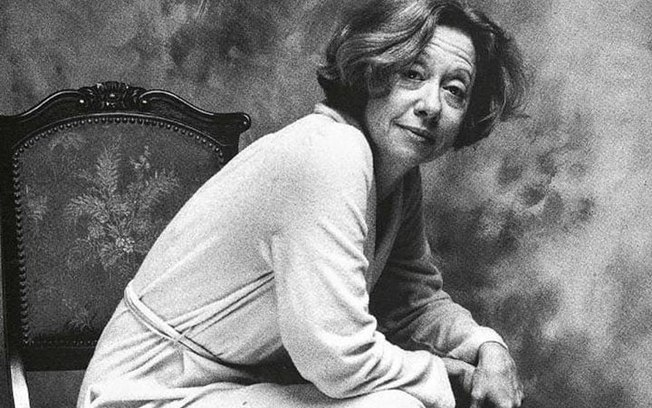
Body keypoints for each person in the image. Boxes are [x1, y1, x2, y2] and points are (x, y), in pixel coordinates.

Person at [78, 0, 527, 407]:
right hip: (146, 392)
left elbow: (411, 302)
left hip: (236, 389)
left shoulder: (396, 176)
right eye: (412, 74)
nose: (431, 105)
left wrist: (486, 346)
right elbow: (337, 355)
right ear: (372, 71)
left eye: (454, 90)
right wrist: (444, 376)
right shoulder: (332, 152)